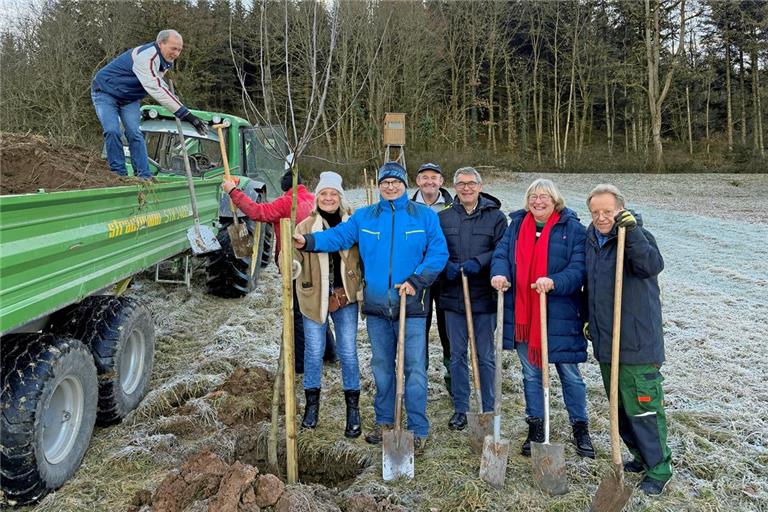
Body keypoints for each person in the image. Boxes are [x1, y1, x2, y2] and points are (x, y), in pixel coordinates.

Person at [293, 162, 448, 453]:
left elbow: (439, 253)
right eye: (385, 182)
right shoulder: (364, 217)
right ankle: (385, 422)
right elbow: (338, 237)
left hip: (413, 306)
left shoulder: (425, 217)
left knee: (414, 369)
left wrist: (416, 280)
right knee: (382, 368)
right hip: (377, 308)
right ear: (379, 186)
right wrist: (308, 241)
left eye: (396, 182)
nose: (391, 187)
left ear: (404, 184)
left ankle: (417, 428)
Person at [490, 178, 594, 459]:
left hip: (561, 316)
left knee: (570, 375)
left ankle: (580, 428)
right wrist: (499, 273)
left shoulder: (572, 228)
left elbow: (579, 268)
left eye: (544, 196)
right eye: (533, 196)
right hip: (523, 313)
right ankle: (536, 426)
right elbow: (500, 254)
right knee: (531, 374)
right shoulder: (517, 226)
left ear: (555, 199)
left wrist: (555, 281)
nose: (538, 201)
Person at [584, 183, 672, 496]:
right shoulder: (591, 242)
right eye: (595, 212)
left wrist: (631, 233)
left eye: (608, 211)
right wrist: (588, 322)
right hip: (607, 343)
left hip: (636, 343)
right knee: (618, 409)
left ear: (621, 209)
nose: (601, 217)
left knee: (644, 410)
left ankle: (659, 468)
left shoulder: (637, 237)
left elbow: (651, 266)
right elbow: (591, 288)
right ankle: (640, 456)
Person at [223, 169, 337, 372]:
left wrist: (233, 192)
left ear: (285, 188)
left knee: (299, 313)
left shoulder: (286, 203)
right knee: (318, 306)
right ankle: (330, 353)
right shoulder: (313, 199)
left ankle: (301, 364)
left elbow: (258, 212)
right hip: (319, 262)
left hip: (296, 265)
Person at [293, 172, 362, 438]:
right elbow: (290, 258)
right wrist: (291, 267)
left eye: (334, 194)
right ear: (317, 197)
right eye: (324, 194)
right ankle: (312, 407)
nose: (329, 198)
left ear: (340, 197)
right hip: (314, 298)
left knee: (347, 352)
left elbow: (363, 258)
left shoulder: (352, 224)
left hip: (345, 298)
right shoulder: (304, 227)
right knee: (313, 351)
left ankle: (353, 411)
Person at [437, 167, 507, 430]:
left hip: (484, 297)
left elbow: (502, 248)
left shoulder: (496, 217)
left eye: (471, 183)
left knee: (485, 355)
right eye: (461, 183)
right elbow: (434, 248)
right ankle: (461, 408)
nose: (466, 188)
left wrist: (480, 262)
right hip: (453, 297)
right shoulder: (443, 218)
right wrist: (447, 267)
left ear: (480, 186)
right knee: (456, 355)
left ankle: (487, 406)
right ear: (455, 187)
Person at [91, 30, 208, 179]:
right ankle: (118, 174)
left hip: (129, 98)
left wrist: (174, 99)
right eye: (173, 48)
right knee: (112, 131)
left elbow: (159, 83)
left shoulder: (165, 60)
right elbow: (154, 87)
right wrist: (187, 115)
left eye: (179, 50)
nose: (176, 54)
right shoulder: (146, 56)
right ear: (160, 44)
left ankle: (144, 176)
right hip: (105, 92)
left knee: (134, 133)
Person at [411, 162, 453, 394]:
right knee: (419, 328)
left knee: (448, 329)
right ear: (417, 181)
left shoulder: (451, 207)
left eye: (434, 177)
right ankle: (419, 380)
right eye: (424, 177)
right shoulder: (407, 207)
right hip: (417, 277)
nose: (429, 181)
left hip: (447, 276)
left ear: (441, 181)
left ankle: (452, 376)